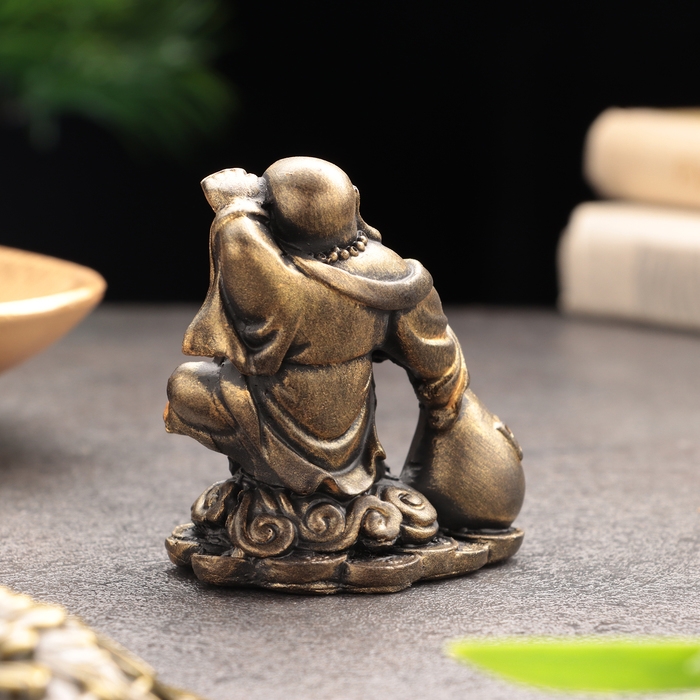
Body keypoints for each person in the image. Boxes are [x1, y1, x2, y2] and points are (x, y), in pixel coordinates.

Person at [164, 157, 523, 530]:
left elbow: (242, 243)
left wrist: (236, 206)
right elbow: (437, 360)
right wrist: (444, 407)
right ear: (354, 200)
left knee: (185, 384)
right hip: (350, 444)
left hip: (270, 416)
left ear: (275, 216)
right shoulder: (394, 274)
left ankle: (275, 488)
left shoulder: (282, 281)